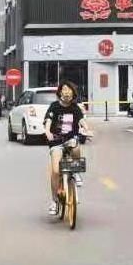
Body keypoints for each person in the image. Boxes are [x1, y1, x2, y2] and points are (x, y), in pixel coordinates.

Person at [43, 81, 89, 217]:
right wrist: (47, 132)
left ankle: (76, 172)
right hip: (56, 141)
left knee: (75, 146)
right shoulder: (54, 106)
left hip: (70, 139)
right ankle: (54, 201)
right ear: (60, 92)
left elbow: (81, 121)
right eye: (64, 90)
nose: (67, 93)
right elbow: (48, 121)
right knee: (55, 171)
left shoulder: (75, 108)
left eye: (69, 90)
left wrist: (86, 129)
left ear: (73, 94)